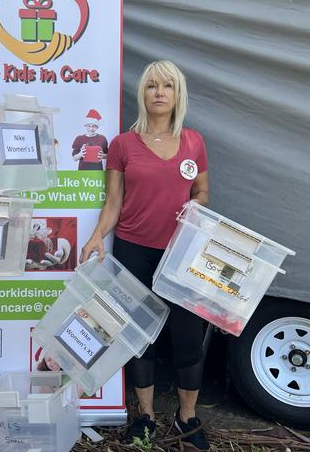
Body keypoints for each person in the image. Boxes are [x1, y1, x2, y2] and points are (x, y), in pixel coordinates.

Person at [80, 60, 211, 450]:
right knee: (139, 338)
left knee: (188, 337)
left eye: (167, 86)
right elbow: (114, 201)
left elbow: (201, 193)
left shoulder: (194, 142)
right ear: (143, 94)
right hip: (134, 251)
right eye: (152, 85)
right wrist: (95, 237)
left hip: (180, 255)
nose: (158, 92)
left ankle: (188, 417)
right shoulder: (123, 144)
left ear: (177, 95)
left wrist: (195, 208)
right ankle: (146, 416)